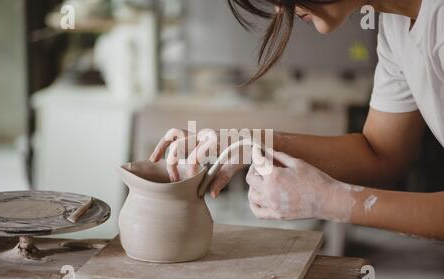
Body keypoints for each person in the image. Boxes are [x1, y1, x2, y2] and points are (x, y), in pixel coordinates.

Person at [150, 0, 444, 241]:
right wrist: (250, 141)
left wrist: (331, 200)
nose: (280, 9)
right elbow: (380, 154)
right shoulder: (395, 26)